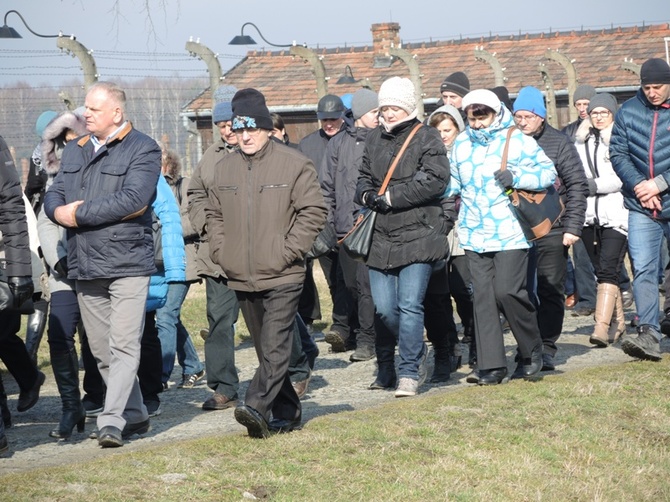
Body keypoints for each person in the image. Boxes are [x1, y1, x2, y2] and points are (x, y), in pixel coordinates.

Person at [44, 81, 160, 448]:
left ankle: (111, 421)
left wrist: (77, 215)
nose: (85, 114)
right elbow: (56, 192)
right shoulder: (76, 149)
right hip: (84, 262)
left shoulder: (144, 148)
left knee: (125, 344)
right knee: (101, 350)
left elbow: (133, 200)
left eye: (93, 109)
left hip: (127, 262)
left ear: (116, 113)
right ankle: (136, 412)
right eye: (85, 108)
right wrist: (56, 210)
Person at [206, 88, 327, 438]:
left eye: (252, 129)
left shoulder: (293, 163)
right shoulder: (224, 168)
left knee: (275, 346)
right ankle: (287, 412)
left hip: (284, 273)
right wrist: (221, 250)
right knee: (267, 352)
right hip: (241, 274)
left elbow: (314, 210)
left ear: (265, 128)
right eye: (238, 129)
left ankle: (255, 406)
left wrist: (288, 251)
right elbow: (213, 213)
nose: (245, 136)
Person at [447, 89, 556, 385]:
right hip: (473, 231)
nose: (478, 123)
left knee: (507, 291)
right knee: (482, 299)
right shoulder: (461, 144)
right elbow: (452, 182)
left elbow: (548, 172)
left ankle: (531, 350)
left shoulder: (517, 139)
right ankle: (491, 366)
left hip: (510, 231)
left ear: (496, 113)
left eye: (484, 116)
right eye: (473, 117)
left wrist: (517, 177)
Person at [356, 76, 450, 397]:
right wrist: (368, 197)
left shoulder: (427, 137)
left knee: (410, 305)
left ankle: (408, 370)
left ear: (408, 106)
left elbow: (435, 180)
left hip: (420, 233)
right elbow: (363, 179)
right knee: (384, 308)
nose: (389, 113)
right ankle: (417, 349)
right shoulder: (373, 139)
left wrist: (393, 198)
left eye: (395, 106)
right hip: (381, 237)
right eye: (385, 107)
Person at [512, 86, 588, 373]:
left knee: (550, 287)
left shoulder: (559, 143)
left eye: (528, 116)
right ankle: (526, 347)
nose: (522, 122)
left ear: (541, 117)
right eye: (518, 116)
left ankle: (546, 346)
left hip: (553, 227)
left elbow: (577, 185)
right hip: (516, 227)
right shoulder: (511, 142)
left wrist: (573, 227)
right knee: (520, 289)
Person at [188, 89, 244, 410]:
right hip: (217, 257)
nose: (226, 130)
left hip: (254, 252)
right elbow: (194, 193)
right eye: (220, 125)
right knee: (219, 321)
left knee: (267, 318)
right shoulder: (210, 156)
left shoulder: (255, 150)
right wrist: (206, 224)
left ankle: (290, 371)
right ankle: (224, 386)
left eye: (230, 123)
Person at [610, 58, 670, 361]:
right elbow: (618, 153)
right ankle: (649, 333)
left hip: (663, 193)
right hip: (641, 205)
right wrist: (640, 187)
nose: (652, 93)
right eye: (646, 87)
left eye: (657, 86)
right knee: (644, 268)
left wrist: (659, 183)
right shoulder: (628, 111)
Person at [36, 110, 88, 439]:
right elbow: (45, 221)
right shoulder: (53, 179)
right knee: (59, 335)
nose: (68, 146)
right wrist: (57, 261)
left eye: (74, 139)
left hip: (98, 266)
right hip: (64, 271)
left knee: (98, 338)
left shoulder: (100, 171)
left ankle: (103, 398)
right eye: (62, 141)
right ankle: (72, 406)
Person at [321, 88, 379, 362]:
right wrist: (331, 225)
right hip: (346, 230)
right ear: (360, 114)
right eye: (374, 112)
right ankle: (359, 331)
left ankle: (369, 340)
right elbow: (327, 188)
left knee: (367, 285)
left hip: (374, 225)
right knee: (352, 286)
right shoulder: (337, 144)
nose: (379, 116)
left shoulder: (382, 140)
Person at [574, 93, 628, 346]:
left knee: (608, 267)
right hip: (587, 215)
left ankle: (601, 327)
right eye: (594, 112)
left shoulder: (619, 139)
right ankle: (618, 323)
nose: (598, 116)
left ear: (612, 114)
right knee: (601, 270)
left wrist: (592, 185)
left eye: (603, 112)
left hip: (615, 213)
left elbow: (621, 177)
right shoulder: (579, 142)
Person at [299, 94, 350, 350]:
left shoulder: (354, 140)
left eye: (333, 118)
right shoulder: (307, 146)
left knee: (350, 279)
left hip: (350, 221)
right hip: (321, 224)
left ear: (343, 116)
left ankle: (346, 326)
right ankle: (343, 328)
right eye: (324, 119)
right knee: (333, 279)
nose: (328, 123)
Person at [0, 134, 39, 455]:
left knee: (4, 335)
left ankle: (29, 380)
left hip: (6, 262)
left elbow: (13, 207)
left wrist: (19, 271)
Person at [425, 104, 469, 382]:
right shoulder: (427, 156)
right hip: (436, 227)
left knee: (465, 291)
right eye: (437, 130)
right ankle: (448, 348)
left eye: (447, 130)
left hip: (464, 227)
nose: (442, 135)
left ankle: (475, 342)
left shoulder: (467, 153)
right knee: (437, 296)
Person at [157, 148, 205, 390]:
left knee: (165, 315)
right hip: (158, 262)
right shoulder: (146, 185)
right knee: (170, 315)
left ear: (169, 165)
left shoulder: (184, 186)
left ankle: (160, 375)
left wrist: (167, 224)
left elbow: (196, 220)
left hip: (183, 262)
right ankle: (193, 366)